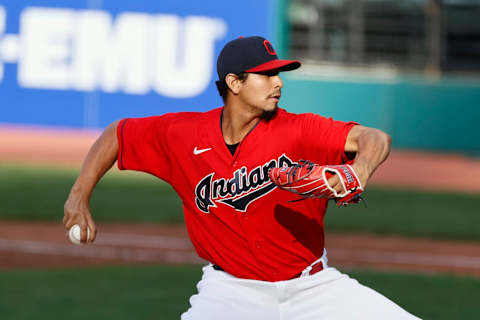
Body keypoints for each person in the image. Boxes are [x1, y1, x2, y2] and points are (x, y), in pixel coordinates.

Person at [63, 36, 421, 319]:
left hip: (313, 289)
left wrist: (358, 170)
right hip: (230, 294)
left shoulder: (299, 129)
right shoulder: (184, 134)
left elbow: (375, 138)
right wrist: (79, 194)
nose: (277, 83)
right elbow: (117, 134)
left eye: (278, 74)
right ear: (234, 82)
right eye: (266, 75)